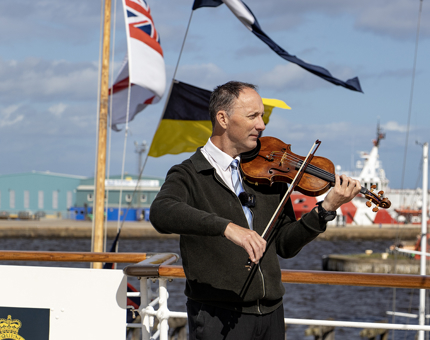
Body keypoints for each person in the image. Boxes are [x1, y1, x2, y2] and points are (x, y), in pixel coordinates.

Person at [150, 81, 361, 340]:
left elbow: (285, 244)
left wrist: (326, 208)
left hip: (271, 314)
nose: (262, 125)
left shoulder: (268, 174)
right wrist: (227, 228)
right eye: (253, 116)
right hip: (218, 316)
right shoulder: (190, 173)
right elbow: (161, 211)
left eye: (261, 116)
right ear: (223, 119)